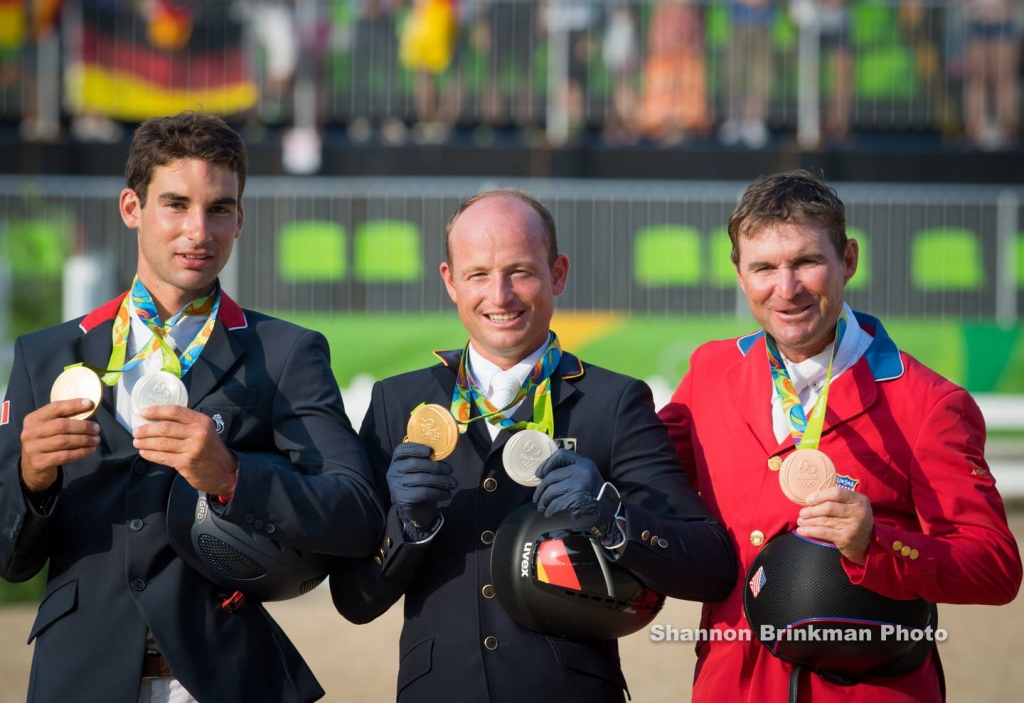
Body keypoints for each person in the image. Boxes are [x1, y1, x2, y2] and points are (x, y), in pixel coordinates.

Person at [0, 112, 384, 703]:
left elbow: (358, 513)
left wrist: (234, 478)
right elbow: (10, 560)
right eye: (175, 204)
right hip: (80, 675)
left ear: (240, 219)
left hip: (224, 676)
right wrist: (30, 479)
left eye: (219, 209)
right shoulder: (44, 354)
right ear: (132, 208)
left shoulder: (286, 353)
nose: (198, 231)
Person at [329, 189, 736, 702]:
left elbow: (712, 568)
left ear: (558, 273)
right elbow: (354, 600)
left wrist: (613, 518)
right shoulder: (397, 402)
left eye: (519, 271)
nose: (499, 296)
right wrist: (405, 528)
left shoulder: (614, 402)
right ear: (450, 282)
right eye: (478, 274)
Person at [658, 170, 1022, 702]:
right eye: (763, 267)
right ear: (740, 275)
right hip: (731, 686)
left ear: (848, 260)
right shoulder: (710, 370)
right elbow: (641, 465)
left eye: (806, 261)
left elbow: (994, 569)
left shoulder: (929, 403)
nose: (786, 289)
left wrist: (875, 544)